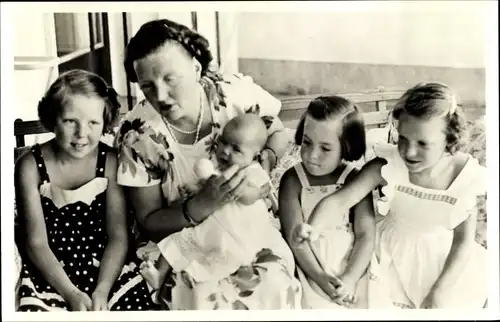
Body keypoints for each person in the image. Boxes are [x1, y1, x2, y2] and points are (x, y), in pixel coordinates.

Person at [114, 18, 300, 310]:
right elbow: (149, 222)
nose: (160, 96)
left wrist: (265, 162)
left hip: (245, 230)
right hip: (182, 243)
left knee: (272, 279)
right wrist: (202, 204)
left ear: (196, 68)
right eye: (147, 86)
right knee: (205, 294)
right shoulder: (138, 136)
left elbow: (277, 132)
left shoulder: (231, 93)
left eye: (170, 79)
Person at [306, 82, 488, 309]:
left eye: (422, 143)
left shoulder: (465, 178)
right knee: (370, 300)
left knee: (446, 305)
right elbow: (341, 200)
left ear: (449, 140)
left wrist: (439, 290)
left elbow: (463, 242)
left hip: (442, 261)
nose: (409, 152)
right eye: (402, 138)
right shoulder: (387, 165)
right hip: (389, 253)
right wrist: (311, 228)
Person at [14, 69, 158, 312]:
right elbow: (35, 242)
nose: (82, 134)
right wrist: (70, 293)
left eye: (93, 122)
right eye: (70, 121)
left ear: (106, 121)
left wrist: (102, 289)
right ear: (52, 119)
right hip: (51, 273)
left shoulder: (110, 162)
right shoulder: (30, 166)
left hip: (108, 269)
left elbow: (118, 236)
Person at [140, 114, 293, 304]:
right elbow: (204, 191)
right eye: (223, 142)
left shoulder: (253, 172)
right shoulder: (217, 168)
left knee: (221, 258)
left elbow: (255, 194)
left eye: (236, 149)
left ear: (256, 155)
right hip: (210, 225)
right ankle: (159, 274)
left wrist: (240, 189)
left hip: (238, 230)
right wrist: (194, 191)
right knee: (178, 241)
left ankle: (207, 282)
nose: (225, 151)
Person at [279, 96, 383, 309]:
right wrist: (319, 277)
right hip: (309, 268)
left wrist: (351, 278)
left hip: (352, 266)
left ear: (346, 146)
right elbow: (294, 240)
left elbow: (365, 236)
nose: (311, 155)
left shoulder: (355, 181)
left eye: (325, 148)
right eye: (306, 142)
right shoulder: (292, 180)